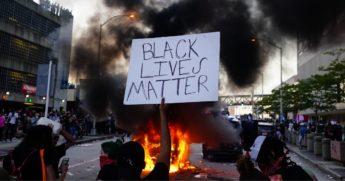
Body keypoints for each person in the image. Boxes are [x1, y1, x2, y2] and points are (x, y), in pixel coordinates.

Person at [99, 97, 170, 180]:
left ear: (117, 162)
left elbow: (107, 167)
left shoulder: (106, 174)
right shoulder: (156, 178)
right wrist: (162, 112)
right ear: (143, 165)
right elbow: (165, 150)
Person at [3, 125, 68, 180]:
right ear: (45, 139)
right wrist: (63, 172)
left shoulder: (9, 156)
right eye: (50, 137)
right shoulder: (42, 156)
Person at [248, 135, 313, 180]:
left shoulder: (274, 178)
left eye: (261, 161)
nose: (260, 166)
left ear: (272, 154)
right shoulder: (305, 171)